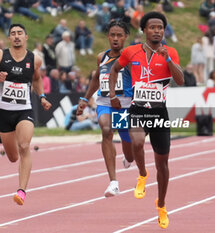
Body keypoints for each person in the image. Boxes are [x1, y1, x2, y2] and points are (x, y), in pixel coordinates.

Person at [109, 12, 184, 229]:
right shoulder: (131, 52)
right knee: (138, 142)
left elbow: (179, 80)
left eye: (160, 27)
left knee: (163, 164)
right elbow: (114, 69)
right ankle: (142, 173)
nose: (157, 31)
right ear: (144, 30)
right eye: (152, 27)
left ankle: (161, 205)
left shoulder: (171, 52)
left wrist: (168, 59)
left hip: (160, 113)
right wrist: (113, 95)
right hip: (138, 109)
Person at [0, 24, 52, 206]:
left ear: (26, 37)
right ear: (9, 38)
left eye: (20, 33)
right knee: (13, 157)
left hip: (24, 109)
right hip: (4, 112)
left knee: (24, 145)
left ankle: (21, 191)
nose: (16, 36)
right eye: (13, 34)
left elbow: (36, 79)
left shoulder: (34, 59)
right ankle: (15, 161)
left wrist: (42, 96)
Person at [76, 20, 134, 198]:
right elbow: (96, 79)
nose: (115, 39)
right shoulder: (102, 57)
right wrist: (85, 99)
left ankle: (128, 158)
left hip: (124, 104)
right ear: (108, 36)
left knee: (129, 148)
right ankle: (113, 182)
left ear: (125, 37)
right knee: (106, 130)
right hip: (105, 101)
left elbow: (139, 81)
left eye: (119, 35)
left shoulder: (131, 57)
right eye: (112, 35)